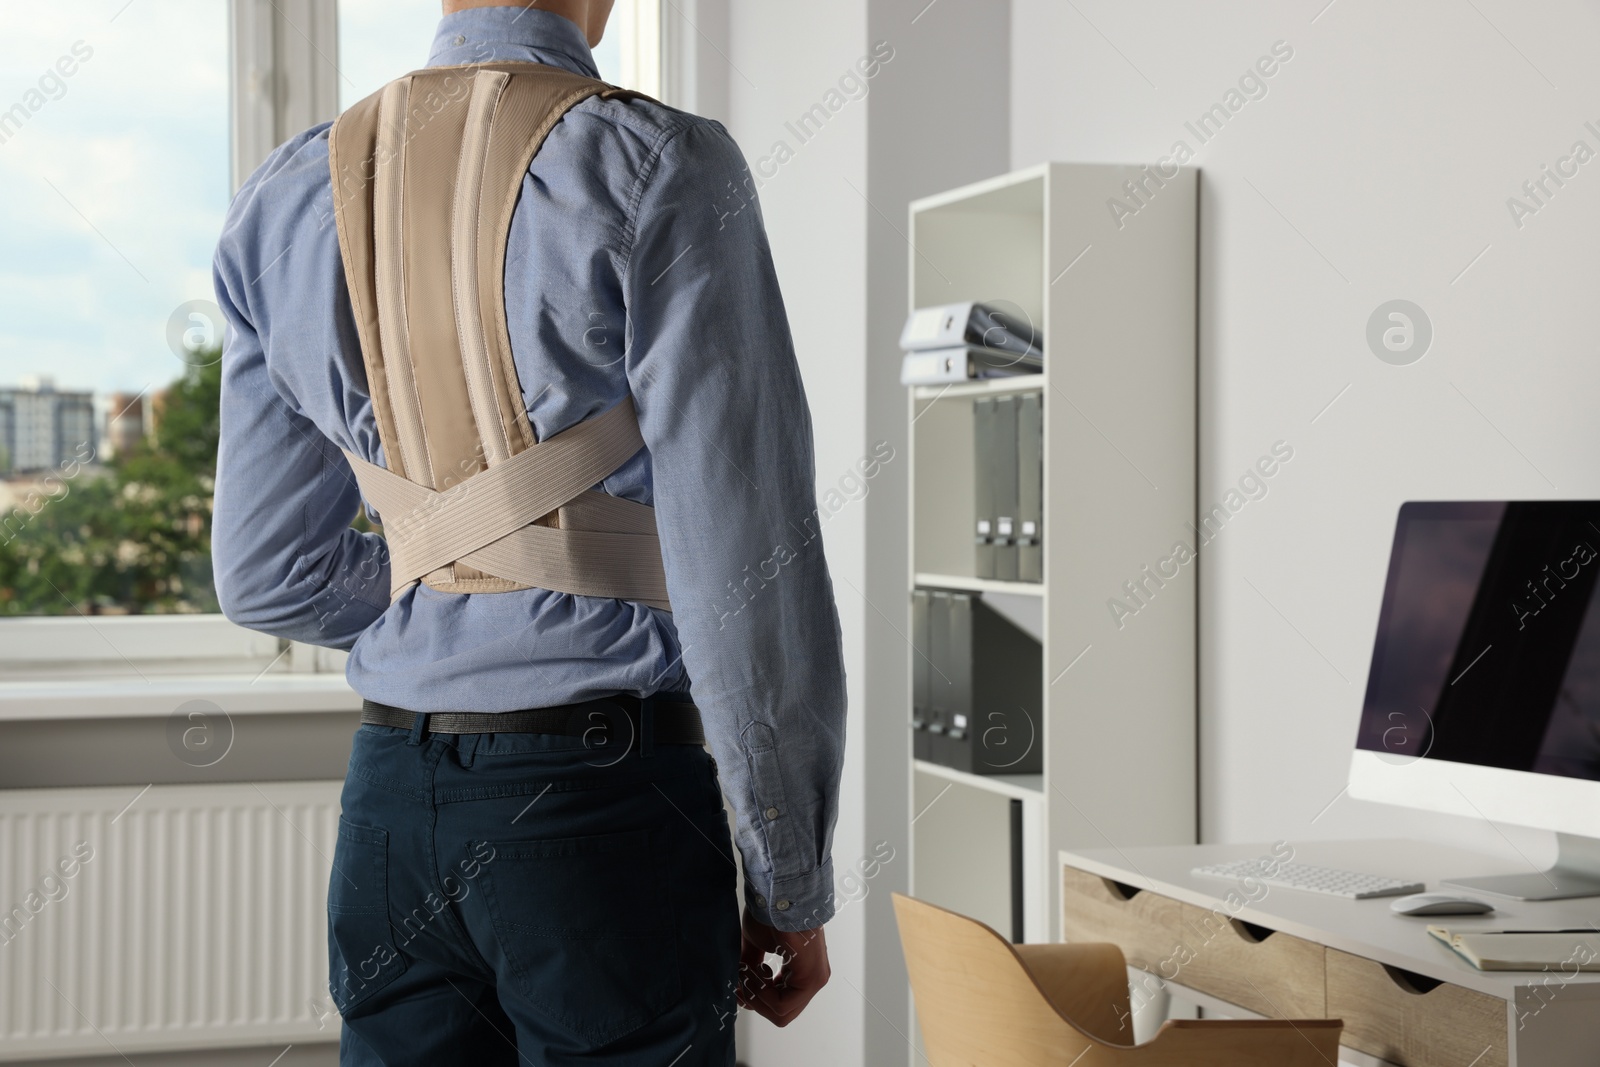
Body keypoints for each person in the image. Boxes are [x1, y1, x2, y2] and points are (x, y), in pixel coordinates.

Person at [209, 1, 846, 1063]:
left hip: (390, 803)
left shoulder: (281, 197)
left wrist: (454, 569)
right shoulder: (661, 161)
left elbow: (268, 578)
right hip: (601, 806)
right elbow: (748, 567)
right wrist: (789, 874)